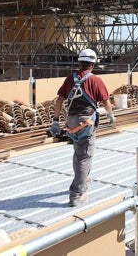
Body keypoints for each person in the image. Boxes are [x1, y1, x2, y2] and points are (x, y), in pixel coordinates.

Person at [53, 48, 115, 207]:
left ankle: (84, 177)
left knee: (78, 152)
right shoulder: (96, 80)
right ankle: (76, 194)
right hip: (85, 122)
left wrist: (55, 120)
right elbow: (106, 102)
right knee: (84, 156)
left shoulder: (70, 79)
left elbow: (59, 100)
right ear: (93, 64)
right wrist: (110, 116)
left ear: (79, 63)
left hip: (71, 121)